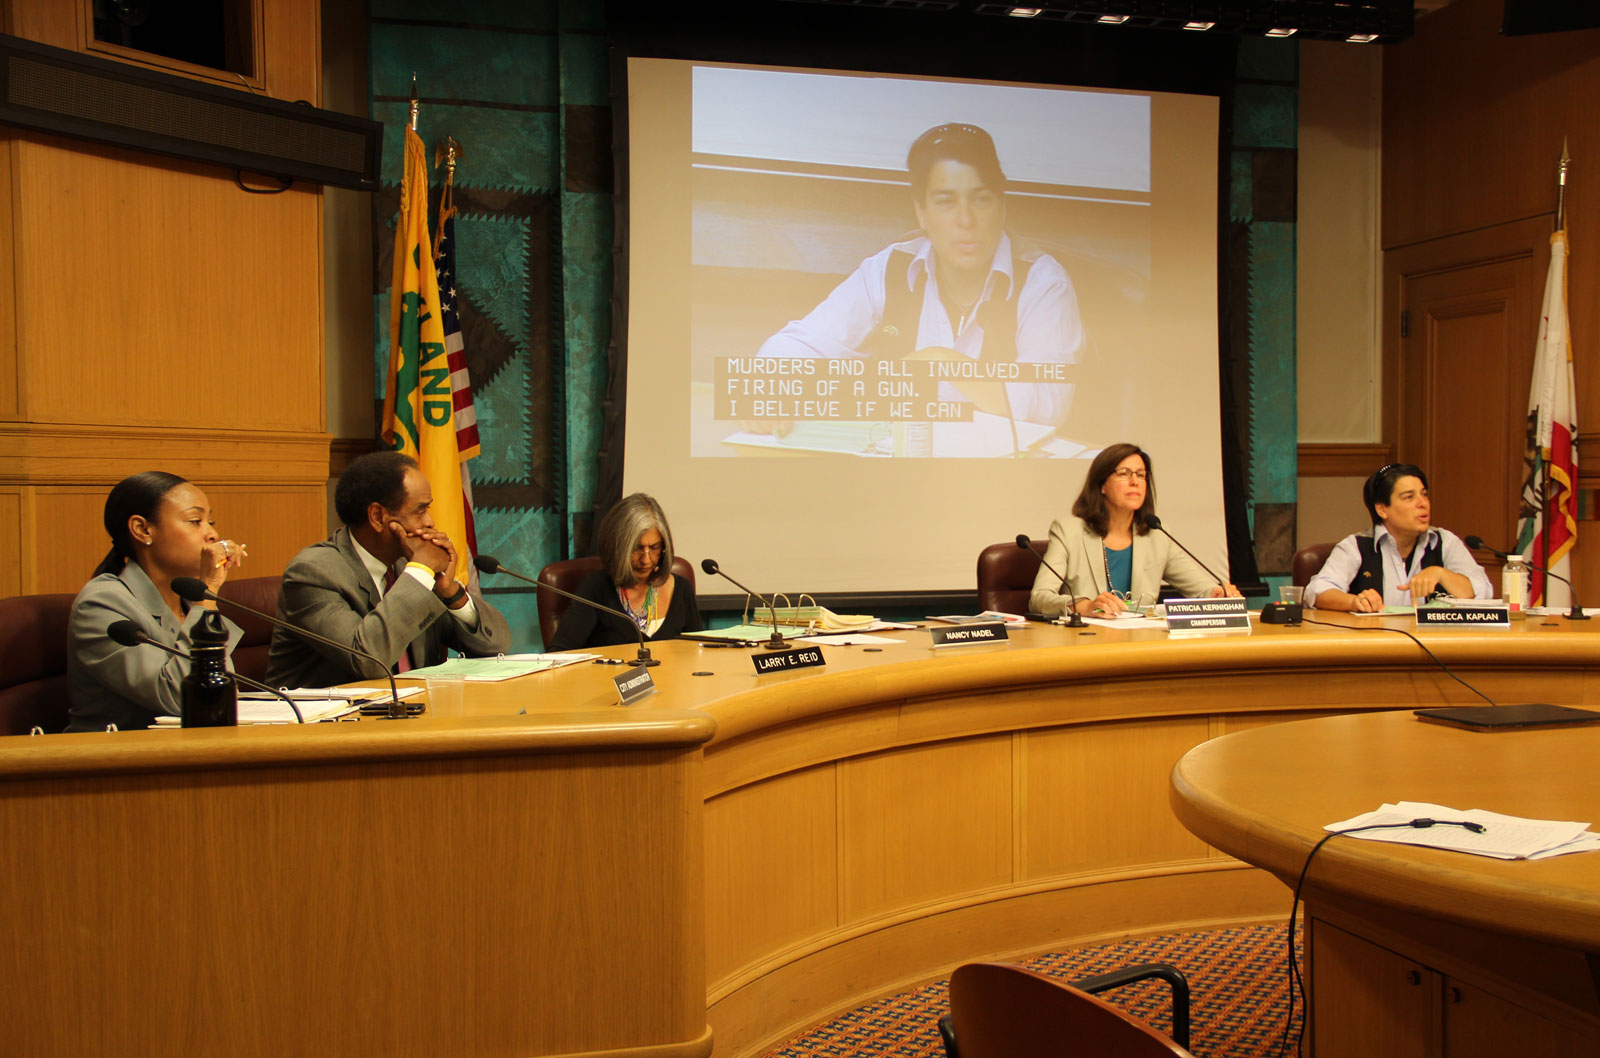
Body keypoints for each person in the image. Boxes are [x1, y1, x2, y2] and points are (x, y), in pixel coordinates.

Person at [755, 122, 1083, 430]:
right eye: (946, 202)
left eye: (981, 200)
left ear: (1002, 206)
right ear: (921, 213)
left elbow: (1049, 405)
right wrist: (768, 388)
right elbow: (801, 344)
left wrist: (942, 361)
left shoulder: (1044, 283)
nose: (965, 219)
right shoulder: (889, 268)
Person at [267, 451, 509, 688]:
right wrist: (421, 572)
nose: (430, 522)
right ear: (377, 516)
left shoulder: (408, 567)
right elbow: (368, 660)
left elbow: (495, 646)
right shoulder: (314, 572)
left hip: (414, 709)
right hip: (331, 714)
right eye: (420, 511)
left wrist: (451, 593)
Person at [67, 472, 248, 731]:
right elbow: (185, 700)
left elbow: (221, 697)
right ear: (142, 530)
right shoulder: (101, 604)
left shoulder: (188, 603)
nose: (212, 534)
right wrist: (207, 591)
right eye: (195, 521)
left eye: (210, 522)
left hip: (191, 747)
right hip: (119, 752)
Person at [1029, 443, 1239, 617]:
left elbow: (1201, 588)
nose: (1134, 482)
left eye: (1141, 475)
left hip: (1140, 642)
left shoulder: (1157, 534)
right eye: (1124, 474)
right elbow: (1039, 598)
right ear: (1102, 485)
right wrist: (1083, 606)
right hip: (1088, 642)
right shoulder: (1068, 531)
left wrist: (1218, 593)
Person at [1304, 463, 1492, 612]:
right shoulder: (1356, 546)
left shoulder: (1445, 542)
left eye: (1424, 495)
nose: (1423, 503)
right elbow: (1317, 591)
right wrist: (1354, 601)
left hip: (1434, 643)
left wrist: (1441, 574)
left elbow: (1483, 590)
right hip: (1375, 642)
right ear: (1382, 509)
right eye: (1409, 497)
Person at [549, 493, 704, 651]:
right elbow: (558, 654)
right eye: (637, 548)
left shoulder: (681, 589)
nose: (646, 560)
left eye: (654, 547)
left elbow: (699, 655)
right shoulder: (596, 588)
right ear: (617, 547)